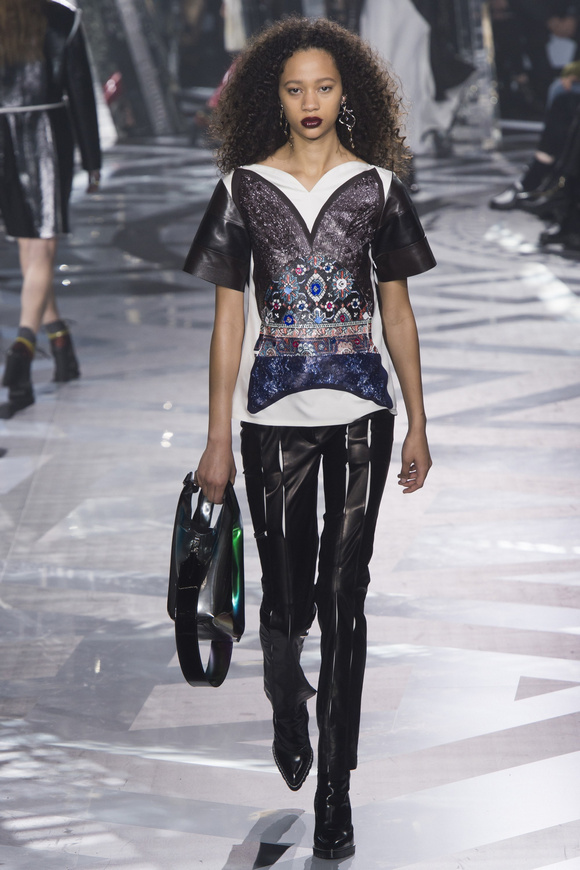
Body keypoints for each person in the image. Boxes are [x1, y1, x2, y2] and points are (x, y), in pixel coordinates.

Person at [184, 16, 435, 860]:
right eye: (295, 89)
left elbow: (397, 312)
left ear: (347, 93)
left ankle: (335, 791)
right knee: (287, 606)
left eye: (324, 86)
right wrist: (216, 439)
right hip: (270, 420)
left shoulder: (379, 188)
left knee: (344, 599)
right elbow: (228, 323)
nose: (311, 101)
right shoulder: (242, 188)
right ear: (275, 98)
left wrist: (419, 420)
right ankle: (284, 692)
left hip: (363, 410)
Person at [0, 0, 101, 419]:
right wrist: (92, 160)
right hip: (46, 135)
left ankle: (61, 347)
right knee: (40, 250)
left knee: (30, 250)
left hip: (4, 137)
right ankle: (20, 357)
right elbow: (79, 90)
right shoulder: (62, 20)